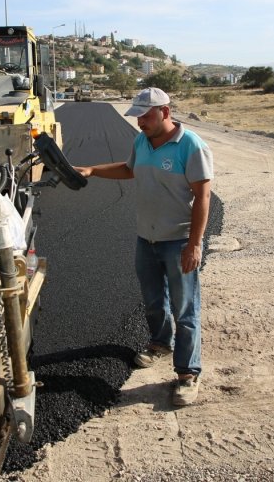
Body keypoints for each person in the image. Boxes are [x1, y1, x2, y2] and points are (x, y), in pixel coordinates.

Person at [74, 87, 213, 406]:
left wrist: (194, 244)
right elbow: (129, 169)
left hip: (178, 240)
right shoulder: (142, 141)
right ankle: (160, 343)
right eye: (136, 116)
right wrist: (93, 170)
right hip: (146, 238)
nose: (139, 123)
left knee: (185, 309)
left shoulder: (191, 146)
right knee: (153, 301)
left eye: (145, 116)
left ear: (165, 112)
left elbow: (203, 196)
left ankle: (188, 374)